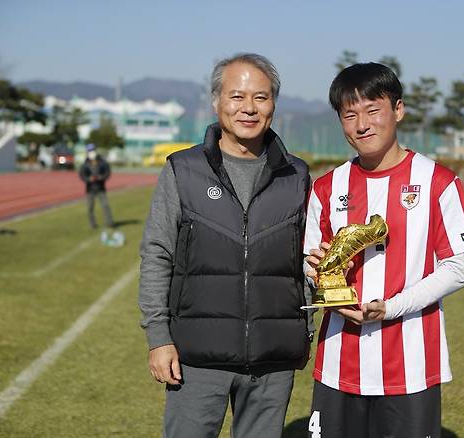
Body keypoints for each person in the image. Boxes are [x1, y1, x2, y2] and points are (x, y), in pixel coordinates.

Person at [303, 63, 464, 437]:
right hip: (340, 362)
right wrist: (327, 289)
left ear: (398, 110)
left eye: (373, 110)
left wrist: (391, 308)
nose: (361, 125)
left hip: (411, 365)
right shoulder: (326, 186)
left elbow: (456, 268)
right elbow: (310, 261)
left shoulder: (438, 181)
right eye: (349, 115)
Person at [139, 53, 311, 438]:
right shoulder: (182, 170)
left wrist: (305, 330)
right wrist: (159, 338)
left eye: (261, 97)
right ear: (216, 102)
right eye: (237, 96)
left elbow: (306, 261)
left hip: (273, 359)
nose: (249, 108)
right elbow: (157, 254)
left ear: (273, 105)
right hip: (196, 358)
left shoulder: (296, 175)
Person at [79, 143, 114, 229]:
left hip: (101, 187)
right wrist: (88, 179)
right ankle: (92, 224)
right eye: (90, 151)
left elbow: (107, 172)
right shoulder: (85, 163)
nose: (91, 152)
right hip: (90, 189)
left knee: (105, 205)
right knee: (90, 208)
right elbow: (82, 175)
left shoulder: (102, 162)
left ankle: (110, 223)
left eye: (92, 150)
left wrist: (100, 177)